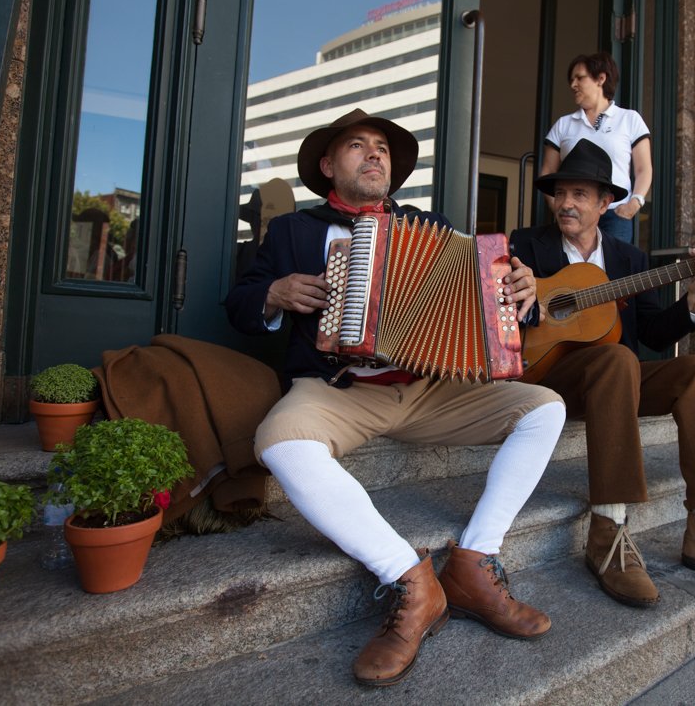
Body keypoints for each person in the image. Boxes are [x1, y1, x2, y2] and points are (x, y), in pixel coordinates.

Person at [226, 108, 567, 686]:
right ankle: (410, 580)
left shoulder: (431, 227)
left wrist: (520, 293)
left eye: (381, 147)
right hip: (339, 388)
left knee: (545, 408)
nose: (374, 154)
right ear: (328, 166)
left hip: (431, 388)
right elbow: (239, 305)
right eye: (357, 145)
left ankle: (474, 562)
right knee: (280, 443)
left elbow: (487, 305)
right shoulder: (293, 232)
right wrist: (274, 294)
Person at [511, 139, 695, 608]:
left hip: (614, 384)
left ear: (605, 203)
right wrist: (528, 307)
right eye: (560, 193)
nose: (565, 203)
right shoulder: (524, 245)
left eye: (579, 194)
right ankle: (608, 531)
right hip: (547, 379)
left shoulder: (629, 260)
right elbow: (496, 316)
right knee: (619, 358)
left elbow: (657, 335)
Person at [541, 51, 651, 244]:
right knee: (571, 263)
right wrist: (557, 207)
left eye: (580, 78)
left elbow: (644, 169)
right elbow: (547, 171)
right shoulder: (563, 124)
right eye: (571, 80)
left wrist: (635, 203)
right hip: (573, 214)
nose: (573, 85)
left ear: (601, 78)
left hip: (615, 214)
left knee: (614, 264)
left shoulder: (629, 119)